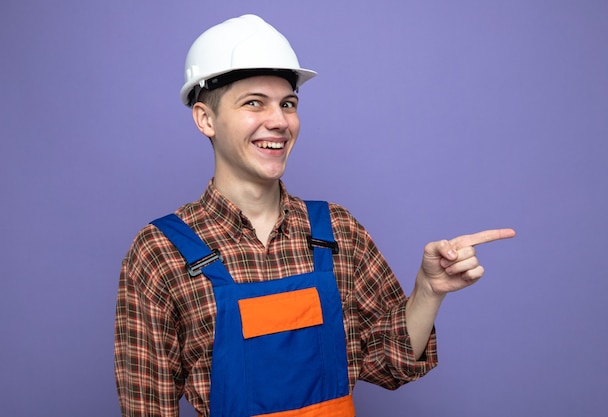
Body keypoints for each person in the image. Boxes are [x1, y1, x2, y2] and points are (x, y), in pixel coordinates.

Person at [114, 14, 515, 417]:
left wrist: (429, 291)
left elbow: (392, 363)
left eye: (288, 104)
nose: (279, 121)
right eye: (254, 103)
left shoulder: (336, 230)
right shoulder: (161, 252)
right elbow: (146, 407)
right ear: (205, 119)